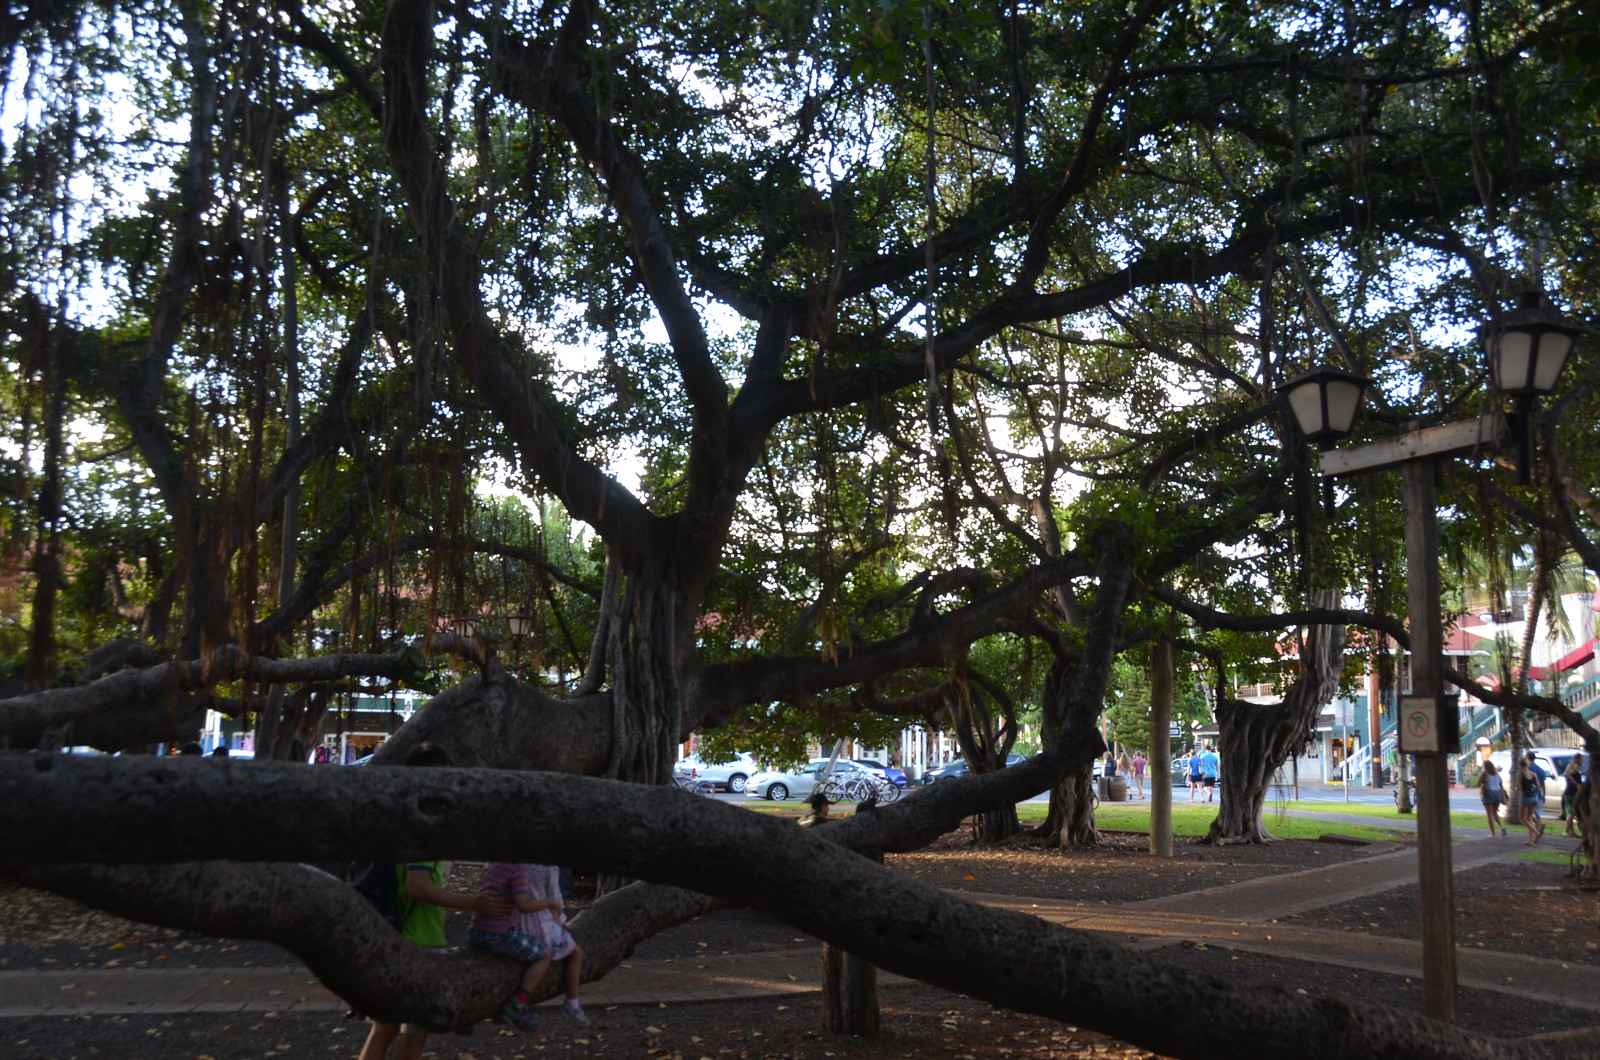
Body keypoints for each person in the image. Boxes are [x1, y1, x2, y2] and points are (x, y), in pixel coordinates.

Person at [359, 744, 513, 1060]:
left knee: (384, 1029)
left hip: (395, 938)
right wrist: (473, 903)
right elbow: (418, 887)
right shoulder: (423, 832)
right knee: (412, 1036)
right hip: (418, 943)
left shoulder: (399, 823)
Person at [469, 862, 589, 1030]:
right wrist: (555, 911)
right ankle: (564, 1003)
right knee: (562, 954)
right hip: (515, 928)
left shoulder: (491, 864)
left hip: (480, 928)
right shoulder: (522, 868)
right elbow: (530, 903)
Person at [1517, 751, 1547, 846]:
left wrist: (1517, 788)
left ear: (1519, 765)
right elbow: (1538, 786)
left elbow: (1519, 788)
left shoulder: (1521, 774)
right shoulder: (1533, 774)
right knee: (1529, 818)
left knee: (1523, 819)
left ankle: (1536, 832)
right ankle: (1531, 840)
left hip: (1526, 797)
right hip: (1534, 797)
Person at [1477, 759, 1507, 837]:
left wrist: (1483, 784)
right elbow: (1501, 785)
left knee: (1489, 814)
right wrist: (1502, 797)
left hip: (1488, 793)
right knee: (1495, 813)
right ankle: (1502, 827)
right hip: (1497, 793)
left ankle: (1493, 833)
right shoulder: (1497, 774)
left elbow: (1478, 783)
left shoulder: (1485, 774)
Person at [1562, 753, 1586, 838]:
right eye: (1581, 759)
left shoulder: (1577, 767)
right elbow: (1566, 774)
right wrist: (1576, 784)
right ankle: (1566, 831)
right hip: (1571, 793)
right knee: (1571, 812)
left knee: (1573, 812)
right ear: (1577, 759)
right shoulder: (1572, 765)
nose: (1583, 761)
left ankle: (1571, 832)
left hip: (1575, 792)